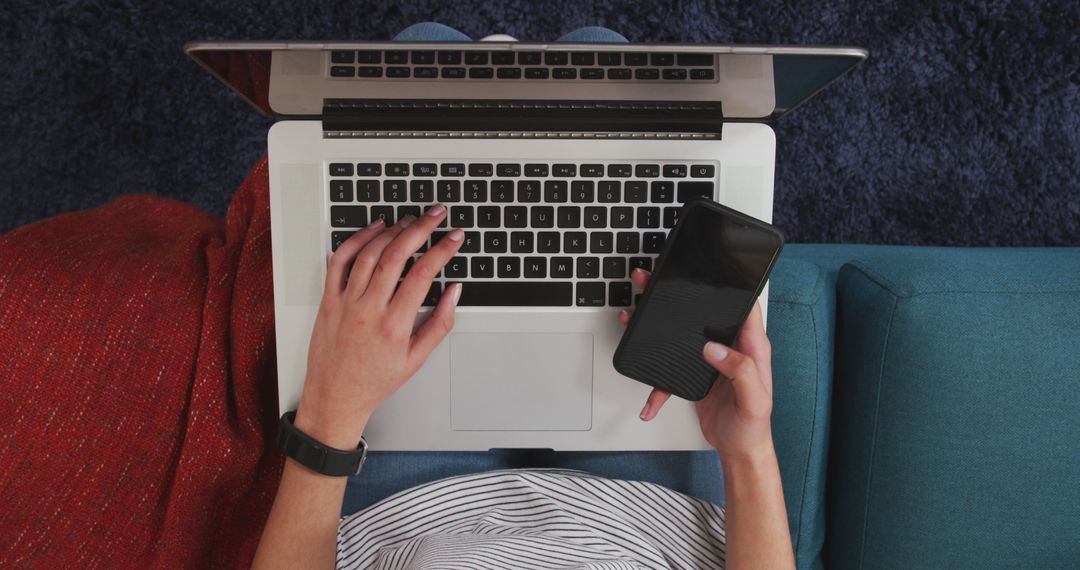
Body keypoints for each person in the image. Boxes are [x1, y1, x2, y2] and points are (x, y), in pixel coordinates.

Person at [253, 24, 794, 569]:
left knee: (429, 45)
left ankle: (499, 77)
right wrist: (746, 452)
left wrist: (329, 419)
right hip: (647, 520)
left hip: (403, 522)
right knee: (599, 53)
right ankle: (514, 83)